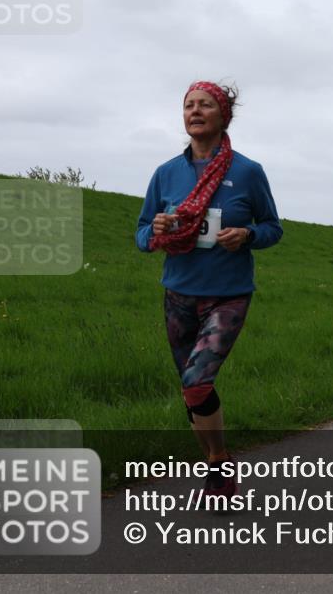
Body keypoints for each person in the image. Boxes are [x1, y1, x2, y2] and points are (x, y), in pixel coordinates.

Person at [136, 80, 283, 498]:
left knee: (197, 382)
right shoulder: (166, 173)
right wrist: (156, 231)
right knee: (190, 389)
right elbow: (141, 232)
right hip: (178, 292)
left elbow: (274, 228)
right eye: (188, 106)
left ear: (223, 116)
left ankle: (218, 466)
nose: (194, 111)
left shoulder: (248, 172)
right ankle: (215, 464)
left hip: (228, 293)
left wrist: (248, 235)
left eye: (204, 105)